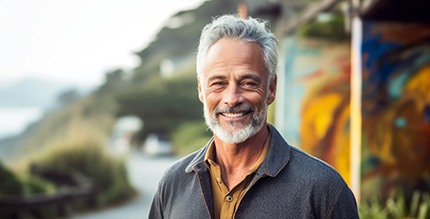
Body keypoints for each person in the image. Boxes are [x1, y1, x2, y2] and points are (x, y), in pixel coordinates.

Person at [149, 14, 359, 218]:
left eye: (248, 83)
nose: (232, 99)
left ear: (271, 88)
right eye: (218, 83)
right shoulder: (172, 184)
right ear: (200, 90)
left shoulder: (324, 190)